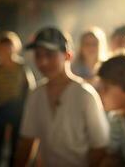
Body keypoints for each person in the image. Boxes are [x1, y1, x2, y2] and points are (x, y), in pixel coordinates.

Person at [20, 26, 109, 167]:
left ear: (68, 55)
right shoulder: (36, 95)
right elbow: (27, 143)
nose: (43, 62)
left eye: (50, 54)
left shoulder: (84, 94)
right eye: (38, 55)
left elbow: (100, 146)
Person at [0, 31, 36, 166]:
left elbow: (30, 88)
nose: (6, 51)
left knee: (16, 144)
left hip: (17, 109)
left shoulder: (21, 67)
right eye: (3, 47)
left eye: (9, 47)